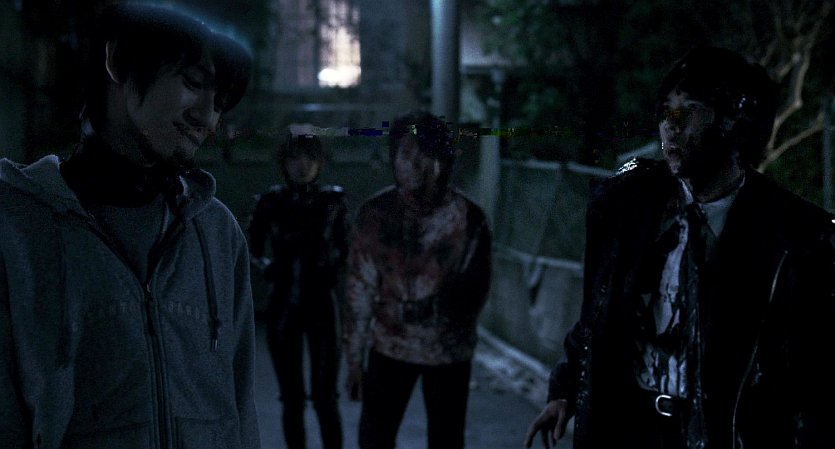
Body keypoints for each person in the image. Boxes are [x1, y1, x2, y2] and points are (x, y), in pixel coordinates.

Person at [524, 46, 835, 449]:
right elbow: (598, 312)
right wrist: (566, 389)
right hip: (631, 428)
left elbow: (813, 368)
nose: (670, 127)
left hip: (725, 433)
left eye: (688, 111)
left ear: (730, 122)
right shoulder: (627, 208)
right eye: (665, 111)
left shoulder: (794, 234)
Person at [0, 4, 260, 448]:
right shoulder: (18, 228)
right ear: (119, 60)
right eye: (193, 83)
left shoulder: (217, 232)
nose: (208, 118)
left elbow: (240, 406)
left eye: (219, 104)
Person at [343, 110, 492, 449]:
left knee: (446, 441)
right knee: (374, 440)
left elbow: (475, 291)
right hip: (389, 346)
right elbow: (359, 290)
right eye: (406, 154)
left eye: (426, 154)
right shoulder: (375, 215)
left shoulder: (469, 219)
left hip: (448, 352)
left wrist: (439, 313)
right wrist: (353, 360)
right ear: (393, 158)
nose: (415, 165)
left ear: (444, 160)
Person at [248, 132, 348, 449]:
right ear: (284, 163)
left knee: (325, 396)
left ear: (320, 162)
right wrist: (267, 267)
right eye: (294, 158)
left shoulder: (332, 201)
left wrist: (333, 266)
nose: (302, 165)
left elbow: (345, 247)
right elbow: (251, 248)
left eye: (309, 157)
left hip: (321, 304)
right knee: (291, 398)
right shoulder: (270, 202)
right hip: (284, 305)